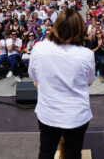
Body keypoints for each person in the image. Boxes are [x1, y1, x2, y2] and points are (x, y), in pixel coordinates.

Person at [28, 8, 95, 159]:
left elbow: (34, 77)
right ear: (80, 29)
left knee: (46, 151)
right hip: (76, 115)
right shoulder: (86, 55)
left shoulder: (39, 48)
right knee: (73, 153)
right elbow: (89, 81)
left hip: (49, 114)